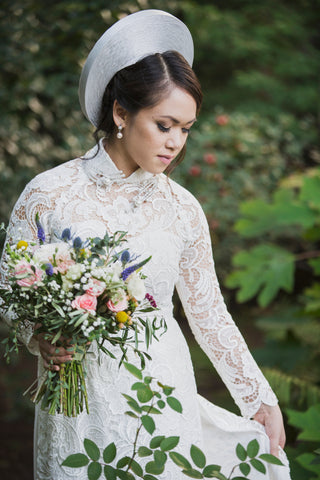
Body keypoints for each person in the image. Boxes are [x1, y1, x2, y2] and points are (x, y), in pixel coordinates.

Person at [0, 9, 291, 480]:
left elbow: (209, 312)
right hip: (77, 401)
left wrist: (257, 398)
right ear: (120, 113)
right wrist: (40, 336)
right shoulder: (48, 194)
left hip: (162, 390)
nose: (176, 142)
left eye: (186, 129)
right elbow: (9, 289)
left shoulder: (182, 208)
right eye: (164, 124)